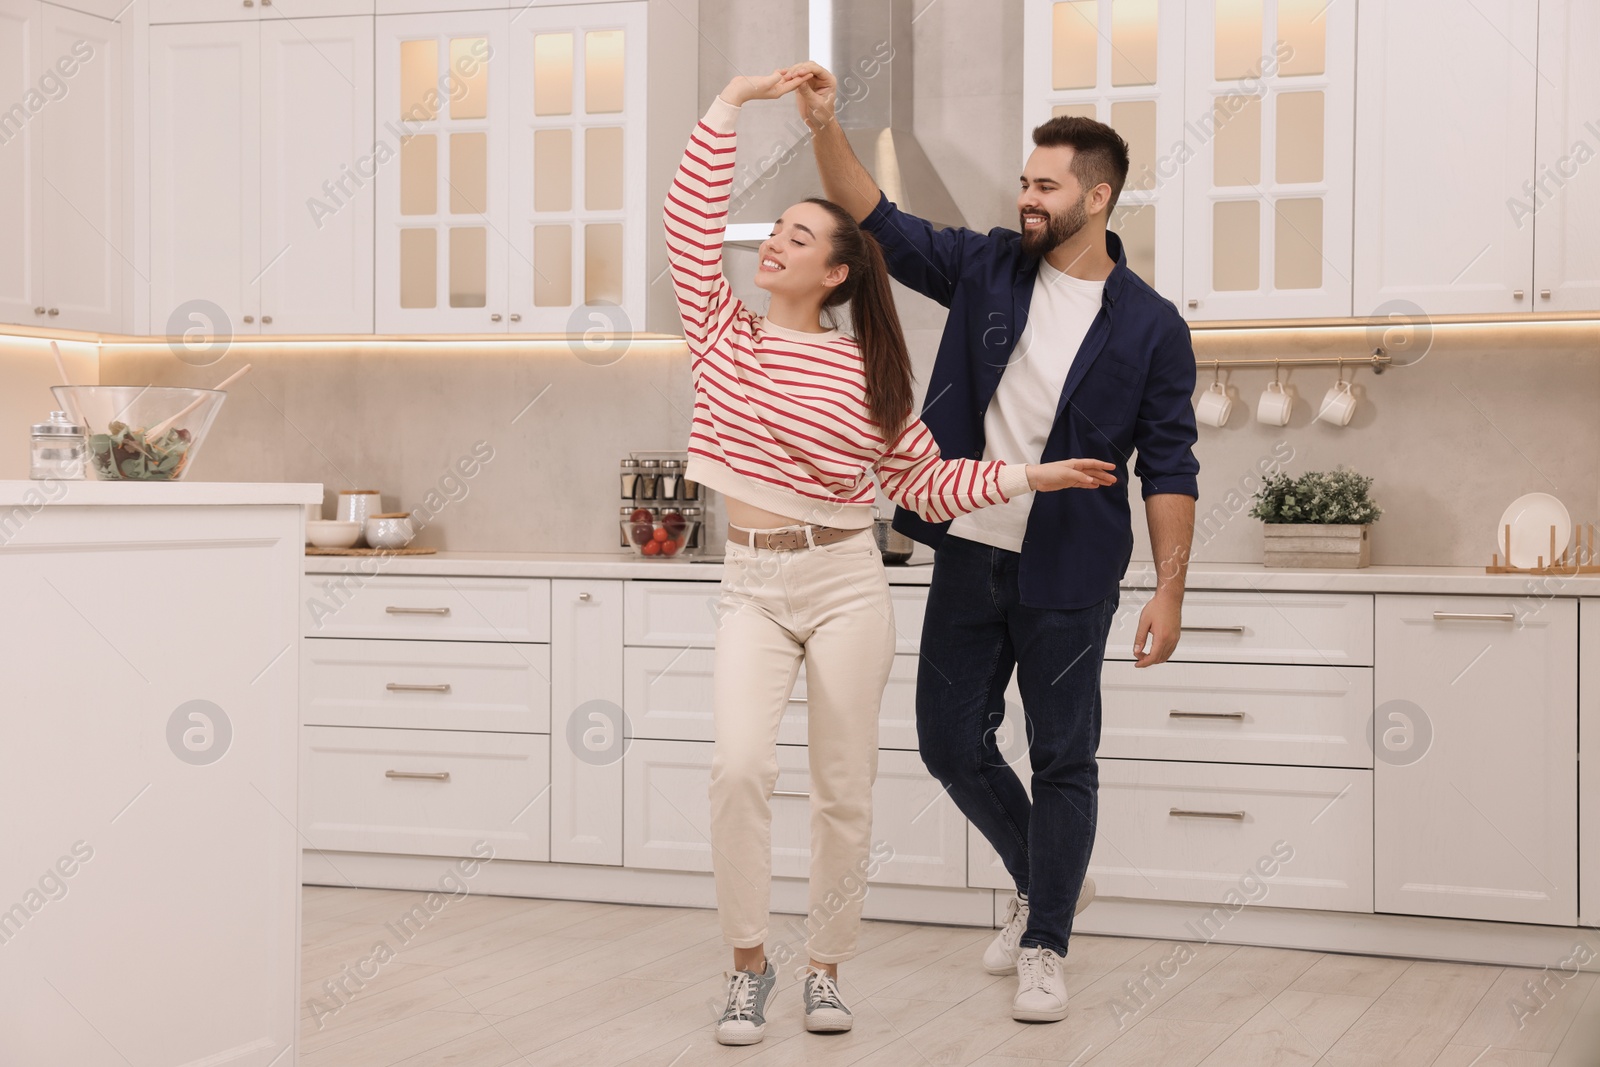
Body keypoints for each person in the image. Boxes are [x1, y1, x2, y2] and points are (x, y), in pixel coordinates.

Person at [665, 69, 1124, 1046]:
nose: (770, 244)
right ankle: (748, 965)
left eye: (795, 235)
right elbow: (689, 219)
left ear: (836, 271)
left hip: (844, 581)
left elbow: (925, 483)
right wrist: (731, 103)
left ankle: (824, 968)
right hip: (751, 581)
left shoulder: (867, 368)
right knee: (737, 766)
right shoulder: (720, 332)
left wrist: (1022, 479)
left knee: (844, 784)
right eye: (773, 231)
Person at [796, 60, 1200, 1023]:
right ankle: (1046, 877)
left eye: (1045, 184)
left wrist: (1171, 588)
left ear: (1096, 197)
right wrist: (821, 123)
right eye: (1023, 180)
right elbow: (875, 212)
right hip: (967, 547)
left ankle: (1046, 939)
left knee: (1064, 755)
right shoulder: (983, 266)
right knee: (948, 743)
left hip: (1072, 571)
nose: (1025, 196)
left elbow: (1172, 467)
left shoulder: (1151, 326)